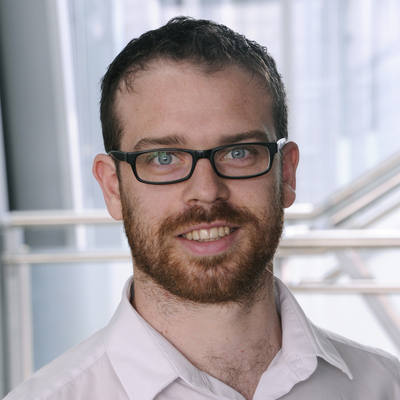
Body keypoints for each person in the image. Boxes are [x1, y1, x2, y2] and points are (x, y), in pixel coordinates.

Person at [4, 16, 400, 400]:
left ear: (287, 174)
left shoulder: (387, 387)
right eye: (163, 158)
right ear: (113, 187)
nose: (207, 192)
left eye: (239, 152)